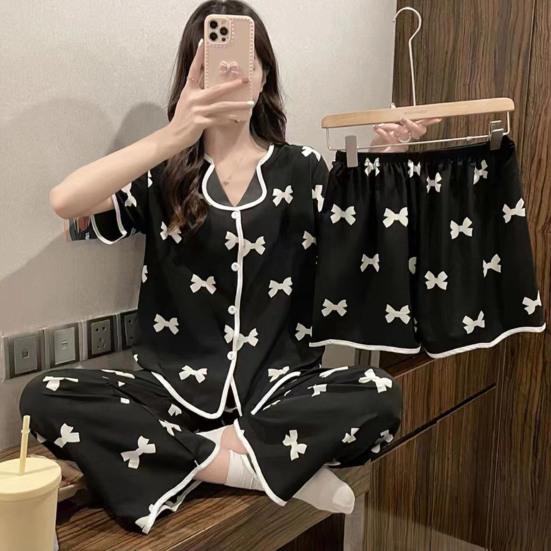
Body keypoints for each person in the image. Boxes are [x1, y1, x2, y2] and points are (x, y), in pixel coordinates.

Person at [20, 0, 440, 535]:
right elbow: (66, 202)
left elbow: (361, 248)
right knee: (45, 395)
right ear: (191, 79)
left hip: (281, 392)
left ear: (265, 76)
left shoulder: (304, 169)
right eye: (215, 67)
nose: (234, 76)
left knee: (380, 395)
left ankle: (198, 456)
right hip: (172, 392)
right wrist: (173, 137)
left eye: (248, 64)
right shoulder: (164, 176)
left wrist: (379, 158)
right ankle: (257, 470)